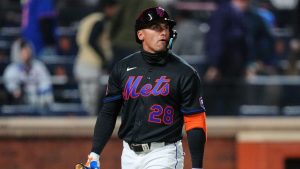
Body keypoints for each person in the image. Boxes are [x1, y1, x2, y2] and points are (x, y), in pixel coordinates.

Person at [79, 6, 207, 169]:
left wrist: (197, 166)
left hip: (164, 153)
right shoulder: (122, 67)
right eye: (155, 27)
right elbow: (108, 112)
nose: (163, 32)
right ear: (140, 34)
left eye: (166, 27)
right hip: (128, 154)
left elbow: (195, 121)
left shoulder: (185, 73)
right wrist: (94, 154)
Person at [74, 0, 119, 115]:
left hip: (83, 63)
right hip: (90, 66)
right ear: (108, 7)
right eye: (114, 8)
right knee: (90, 106)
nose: (115, 11)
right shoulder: (99, 20)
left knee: (90, 105)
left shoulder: (89, 18)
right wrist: (104, 59)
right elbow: (91, 41)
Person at [3, 39, 54, 107]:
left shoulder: (38, 65)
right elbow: (11, 85)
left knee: (48, 97)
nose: (26, 53)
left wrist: (42, 90)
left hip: (37, 99)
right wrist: (15, 90)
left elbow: (46, 81)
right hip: (21, 101)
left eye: (27, 50)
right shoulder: (12, 69)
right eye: (23, 51)